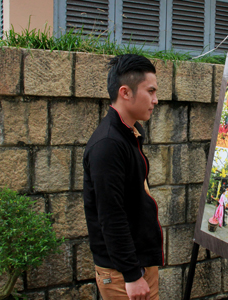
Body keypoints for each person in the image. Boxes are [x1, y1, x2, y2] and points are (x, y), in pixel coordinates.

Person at [83, 54, 161, 300]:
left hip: (138, 265)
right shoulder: (108, 144)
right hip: (124, 273)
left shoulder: (128, 134)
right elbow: (111, 215)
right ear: (125, 92)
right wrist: (131, 275)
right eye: (150, 91)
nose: (155, 100)